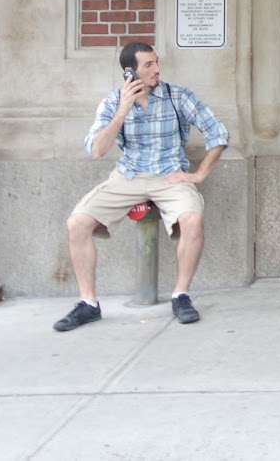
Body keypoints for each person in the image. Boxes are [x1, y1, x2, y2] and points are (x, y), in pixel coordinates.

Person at [54, 42, 229, 332]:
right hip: (128, 176)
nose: (157, 69)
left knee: (192, 219)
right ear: (129, 72)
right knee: (77, 223)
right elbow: (96, 150)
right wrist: (122, 110)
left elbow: (218, 133)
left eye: (156, 62)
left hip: (170, 175)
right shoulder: (112, 102)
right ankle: (88, 304)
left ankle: (181, 296)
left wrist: (198, 175)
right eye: (148, 65)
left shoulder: (178, 96)